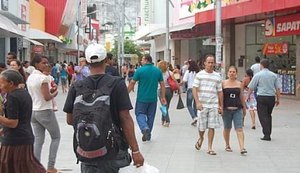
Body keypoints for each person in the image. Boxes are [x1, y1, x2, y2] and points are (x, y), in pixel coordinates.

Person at [63, 43, 144, 173]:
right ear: (106, 60)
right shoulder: (117, 84)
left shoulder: (77, 86)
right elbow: (125, 119)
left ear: (87, 62)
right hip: (111, 150)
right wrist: (135, 150)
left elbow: (70, 120)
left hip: (86, 149)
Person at [0, 69, 46, 173]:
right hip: (24, 136)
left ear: (11, 83)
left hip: (15, 140)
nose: (0, 86)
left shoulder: (13, 96)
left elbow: (13, 123)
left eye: (2, 83)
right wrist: (4, 129)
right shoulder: (24, 93)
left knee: (12, 166)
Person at [26, 54, 60, 173]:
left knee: (38, 140)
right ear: (36, 64)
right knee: (56, 137)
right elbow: (47, 97)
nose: (46, 65)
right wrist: (55, 94)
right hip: (45, 110)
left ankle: (35, 167)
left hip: (34, 111)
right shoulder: (43, 78)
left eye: (47, 63)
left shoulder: (30, 77)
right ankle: (51, 167)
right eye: (43, 63)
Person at [127, 54, 167, 142]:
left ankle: (144, 127)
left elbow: (132, 83)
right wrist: (163, 96)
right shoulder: (157, 71)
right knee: (151, 116)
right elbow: (162, 84)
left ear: (146, 60)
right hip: (153, 98)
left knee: (139, 114)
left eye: (142, 60)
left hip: (142, 98)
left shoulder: (140, 70)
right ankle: (148, 134)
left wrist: (126, 93)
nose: (141, 61)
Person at [192, 54, 223, 155]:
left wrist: (220, 105)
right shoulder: (200, 75)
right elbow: (194, 89)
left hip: (213, 104)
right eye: (208, 62)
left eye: (212, 62)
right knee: (201, 127)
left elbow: (220, 91)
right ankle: (201, 138)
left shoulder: (217, 76)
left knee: (211, 126)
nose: (210, 64)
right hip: (202, 105)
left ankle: (210, 147)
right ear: (204, 63)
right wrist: (197, 102)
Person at [247, 59, 281, 141]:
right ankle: (268, 132)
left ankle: (266, 134)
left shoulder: (258, 75)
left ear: (261, 65)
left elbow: (251, 87)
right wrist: (278, 99)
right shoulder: (274, 75)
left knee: (262, 115)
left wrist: (248, 96)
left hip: (261, 97)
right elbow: (278, 88)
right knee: (268, 115)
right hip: (271, 97)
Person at [221, 66, 247, 155]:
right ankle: (227, 145)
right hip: (226, 109)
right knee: (227, 128)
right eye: (230, 72)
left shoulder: (239, 84)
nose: (232, 73)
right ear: (227, 73)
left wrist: (244, 107)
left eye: (233, 72)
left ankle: (242, 147)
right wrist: (220, 107)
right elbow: (221, 96)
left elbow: (241, 96)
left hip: (237, 109)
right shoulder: (223, 83)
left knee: (239, 128)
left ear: (236, 73)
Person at [157, 60, 178, 127]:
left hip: (161, 90)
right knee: (166, 106)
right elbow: (175, 81)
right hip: (169, 90)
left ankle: (167, 120)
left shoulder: (158, 73)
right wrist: (178, 89)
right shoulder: (170, 73)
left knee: (164, 106)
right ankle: (163, 119)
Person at [182, 60, 199, 126]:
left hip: (190, 89)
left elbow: (184, 80)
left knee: (189, 104)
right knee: (195, 104)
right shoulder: (198, 72)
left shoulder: (188, 72)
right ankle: (196, 117)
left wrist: (179, 84)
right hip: (197, 89)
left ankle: (194, 117)